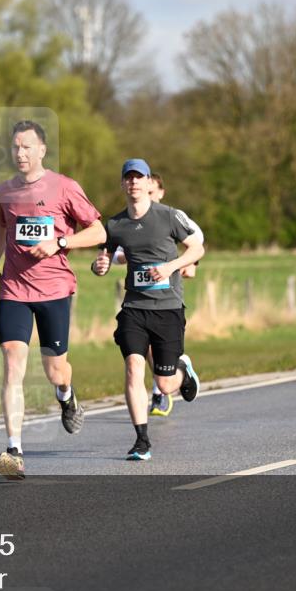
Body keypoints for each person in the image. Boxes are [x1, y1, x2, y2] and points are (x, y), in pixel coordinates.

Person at [0, 120, 106, 479]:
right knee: (12, 363)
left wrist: (60, 242)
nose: (20, 153)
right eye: (15, 147)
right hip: (14, 289)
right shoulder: (6, 190)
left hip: (53, 290)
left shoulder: (65, 187)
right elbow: (3, 225)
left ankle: (66, 396)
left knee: (55, 369)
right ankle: (14, 450)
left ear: (42, 150)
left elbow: (98, 230)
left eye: (26, 147)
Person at [92, 158, 204, 461]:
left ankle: (183, 371)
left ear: (147, 182)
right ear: (122, 185)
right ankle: (141, 440)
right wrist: (98, 266)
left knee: (165, 384)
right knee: (133, 369)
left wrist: (171, 265)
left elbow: (197, 248)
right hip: (134, 307)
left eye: (138, 178)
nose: (133, 183)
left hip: (167, 307)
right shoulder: (115, 224)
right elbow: (103, 259)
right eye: (128, 178)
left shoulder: (169, 217)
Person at [112, 172, 204, 417]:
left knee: (160, 363)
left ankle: (164, 385)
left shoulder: (172, 216)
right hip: (139, 302)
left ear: (160, 193)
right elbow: (115, 249)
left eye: (151, 192)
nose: (145, 195)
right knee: (140, 355)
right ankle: (157, 395)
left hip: (168, 298)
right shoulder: (129, 220)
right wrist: (125, 256)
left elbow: (197, 242)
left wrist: (188, 265)